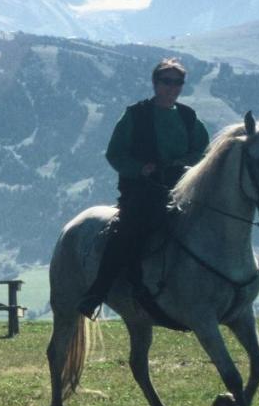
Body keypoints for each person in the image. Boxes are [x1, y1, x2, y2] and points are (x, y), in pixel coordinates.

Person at [77, 58, 211, 318]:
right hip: (142, 189)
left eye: (178, 83)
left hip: (181, 188)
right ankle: (98, 291)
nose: (173, 87)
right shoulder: (135, 114)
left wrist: (180, 164)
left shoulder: (188, 116)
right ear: (155, 83)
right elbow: (115, 154)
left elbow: (202, 151)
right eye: (167, 82)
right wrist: (140, 169)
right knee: (129, 230)